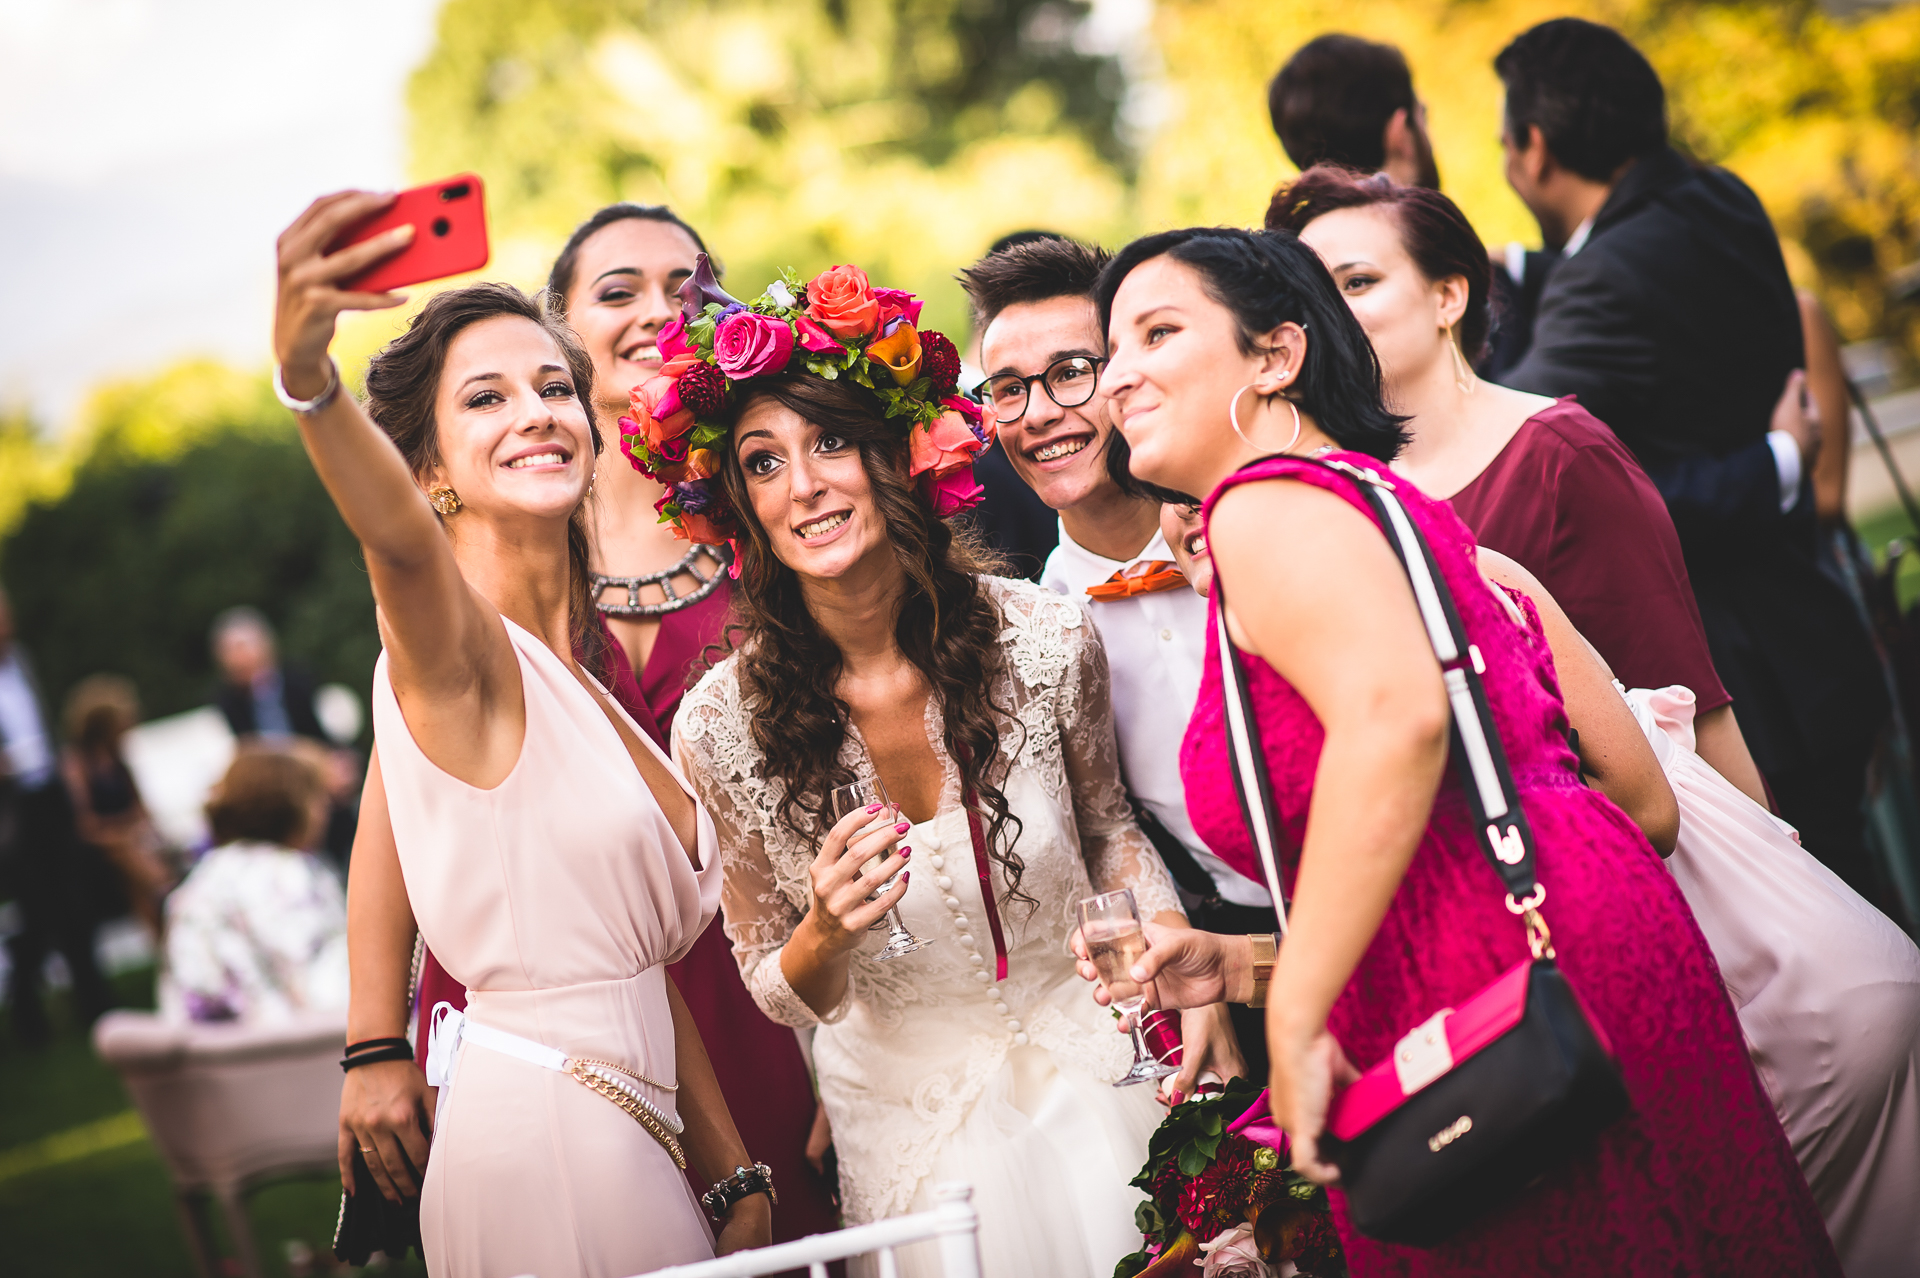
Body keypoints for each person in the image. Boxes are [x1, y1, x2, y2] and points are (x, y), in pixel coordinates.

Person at [1093, 224, 1839, 1272]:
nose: (1116, 376)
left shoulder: (1260, 507)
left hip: (1481, 971)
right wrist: (1254, 964)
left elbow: (1398, 719)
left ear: (1276, 355)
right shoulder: (1377, 499)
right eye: (1111, 350)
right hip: (1578, 936)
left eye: (1157, 333)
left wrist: (1298, 1008)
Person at [662, 260, 1232, 1277]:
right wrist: (825, 930)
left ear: (897, 455)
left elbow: (1109, 831)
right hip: (910, 1138)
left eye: (831, 442)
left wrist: (1173, 952)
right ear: (740, 507)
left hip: (1101, 1074)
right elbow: (775, 986)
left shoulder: (1047, 637)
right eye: (764, 462)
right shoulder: (718, 728)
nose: (805, 485)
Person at [272, 192, 765, 1273]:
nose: (536, 413)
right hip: (546, 1150)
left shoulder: (579, 681)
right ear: (429, 471)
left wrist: (737, 1178)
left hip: (640, 1139)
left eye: (553, 388)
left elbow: (629, 963)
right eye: (485, 399)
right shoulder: (457, 658)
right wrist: (310, 384)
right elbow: (401, 548)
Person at [1493, 18, 1891, 905]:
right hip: (1815, 641)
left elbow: (1524, 453)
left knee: (1818, 933)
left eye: (1505, 148)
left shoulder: (1603, 284)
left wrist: (1778, 460)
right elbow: (1625, 275)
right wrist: (1511, 264)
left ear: (1537, 147)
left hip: (1747, 687)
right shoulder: (1718, 200)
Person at [1266, 167, 1771, 807]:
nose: (1331, 313)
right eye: (1312, 298)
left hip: (1633, 831)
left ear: (1448, 295)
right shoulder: (1335, 495)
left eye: (1358, 282)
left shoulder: (1562, 455)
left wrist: (1764, 848)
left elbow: (1690, 702)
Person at [959, 236, 1262, 1087]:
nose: (1038, 413)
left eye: (1070, 373)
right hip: (1225, 975)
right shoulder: (1033, 632)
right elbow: (1100, 827)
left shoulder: (1264, 531)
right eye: (1008, 389)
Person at [1264, 33, 1552, 376]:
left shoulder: (1275, 297)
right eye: (1423, 116)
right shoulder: (1488, 293)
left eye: (1358, 282)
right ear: (1401, 132)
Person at [0, 586, 115, 1045]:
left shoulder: (22, 661)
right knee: (37, 911)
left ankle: (96, 1003)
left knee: (74, 899)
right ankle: (26, 1008)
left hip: (49, 793)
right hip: (12, 810)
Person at [161, 747, 349, 1023]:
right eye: (317, 797)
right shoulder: (293, 875)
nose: (325, 810)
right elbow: (330, 990)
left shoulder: (199, 881)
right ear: (290, 805)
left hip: (217, 1043)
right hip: (300, 1041)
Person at [60, 674, 173, 937]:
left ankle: (163, 921)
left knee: (137, 853)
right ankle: (164, 894)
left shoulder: (118, 760)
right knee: (127, 853)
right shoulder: (78, 764)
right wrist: (126, 830)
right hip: (100, 847)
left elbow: (142, 808)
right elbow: (87, 825)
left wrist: (142, 829)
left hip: (130, 841)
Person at [211, 607, 329, 742]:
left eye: (241, 647)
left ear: (265, 645)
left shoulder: (300, 681)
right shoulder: (228, 702)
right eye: (229, 651)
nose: (238, 658)